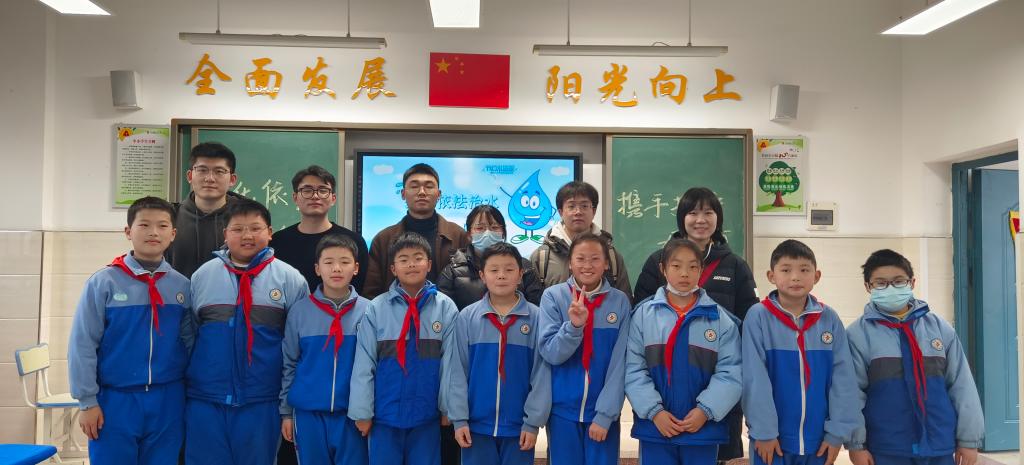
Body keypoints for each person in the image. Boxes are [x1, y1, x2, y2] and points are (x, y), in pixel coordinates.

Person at [632, 186, 757, 463]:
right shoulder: (655, 262)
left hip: (713, 391)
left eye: (708, 212)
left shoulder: (735, 266)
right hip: (660, 404)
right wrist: (653, 409)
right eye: (693, 213)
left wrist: (710, 407)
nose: (701, 219)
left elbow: (748, 322)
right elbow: (638, 328)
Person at [68, 196, 193, 465]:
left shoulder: (182, 286)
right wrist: (87, 402)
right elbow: (82, 344)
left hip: (168, 398)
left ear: (173, 234)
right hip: (116, 399)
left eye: (162, 226)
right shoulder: (104, 282)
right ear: (128, 231)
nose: (153, 232)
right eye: (144, 225)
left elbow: (189, 342)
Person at [185, 198, 309, 465]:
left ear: (270, 232)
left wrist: (287, 404)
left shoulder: (290, 279)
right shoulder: (202, 276)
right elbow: (190, 335)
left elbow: (298, 348)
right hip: (206, 398)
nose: (247, 236)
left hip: (262, 399)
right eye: (238, 229)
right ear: (225, 234)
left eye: (255, 228)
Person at [846, 249, 984, 465]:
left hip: (938, 443)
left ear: (912, 282)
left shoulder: (940, 329)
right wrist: (856, 445)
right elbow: (852, 395)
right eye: (881, 283)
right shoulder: (857, 335)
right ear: (868, 287)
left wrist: (969, 440)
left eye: (898, 281)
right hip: (887, 447)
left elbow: (962, 386)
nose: (890, 288)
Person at [624, 238, 742, 465]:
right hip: (656, 429)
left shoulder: (720, 320)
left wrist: (705, 411)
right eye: (676, 266)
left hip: (702, 430)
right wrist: (654, 412)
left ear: (701, 270)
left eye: (692, 266)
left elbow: (731, 372)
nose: (684, 273)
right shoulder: (643, 316)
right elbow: (633, 368)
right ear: (663, 269)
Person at [742, 240, 860, 465]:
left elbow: (843, 380)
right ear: (771, 276)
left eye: (804, 270)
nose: (795, 277)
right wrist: (764, 432)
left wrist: (836, 433)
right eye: (786, 270)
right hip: (772, 441)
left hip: (819, 441)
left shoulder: (829, 319)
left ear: (817, 276)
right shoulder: (758, 317)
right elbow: (754, 378)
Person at [348, 232, 460, 465]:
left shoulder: (445, 308)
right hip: (384, 416)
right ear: (393, 269)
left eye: (418, 258)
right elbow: (364, 364)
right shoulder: (376, 308)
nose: (411, 264)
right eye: (403, 259)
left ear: (429, 265)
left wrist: (447, 407)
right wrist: (362, 412)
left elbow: (451, 363)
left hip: (427, 416)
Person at [446, 242, 551, 465]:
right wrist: (459, 419)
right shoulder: (467, 317)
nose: (501, 275)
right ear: (482, 276)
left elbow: (541, 375)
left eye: (509, 269)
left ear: (520, 275)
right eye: (494, 270)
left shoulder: (537, 318)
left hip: (519, 429)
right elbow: (457, 372)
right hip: (475, 427)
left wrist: (532, 422)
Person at [538, 232, 631, 465]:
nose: (587, 265)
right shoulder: (553, 297)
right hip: (561, 412)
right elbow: (551, 353)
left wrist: (606, 414)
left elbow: (620, 364)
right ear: (570, 263)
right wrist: (574, 327)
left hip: (602, 414)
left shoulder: (619, 301)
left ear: (606, 263)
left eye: (595, 259)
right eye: (580, 259)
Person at [279, 234, 371, 465]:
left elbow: (374, 367)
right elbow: (289, 364)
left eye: (344, 262)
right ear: (317, 269)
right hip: (308, 414)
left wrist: (367, 411)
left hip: (353, 416)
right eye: (329, 262)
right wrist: (286, 412)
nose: (336, 268)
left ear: (356, 268)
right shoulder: (300, 311)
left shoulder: (370, 311)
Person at [364, 163, 470, 299]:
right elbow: (371, 292)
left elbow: (468, 286)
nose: (422, 192)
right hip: (395, 311)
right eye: (414, 186)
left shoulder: (458, 235)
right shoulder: (383, 239)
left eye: (429, 186)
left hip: (447, 311)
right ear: (403, 194)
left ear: (439, 194)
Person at [271, 165, 369, 294]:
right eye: (307, 190)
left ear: (333, 198)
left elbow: (359, 290)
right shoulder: (278, 241)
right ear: (295, 198)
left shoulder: (354, 241)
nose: (315, 196)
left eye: (323, 190)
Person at [530, 181, 632, 301]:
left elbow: (624, 301)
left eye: (584, 206)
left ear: (593, 211)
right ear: (561, 212)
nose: (578, 212)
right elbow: (533, 304)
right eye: (571, 206)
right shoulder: (542, 257)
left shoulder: (611, 255)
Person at [437, 204, 544, 309]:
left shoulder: (524, 267)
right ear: (469, 235)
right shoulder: (453, 271)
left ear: (503, 232)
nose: (487, 233)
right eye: (480, 228)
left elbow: (535, 309)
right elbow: (446, 312)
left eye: (494, 227)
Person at [166, 142, 243, 278]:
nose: (210, 179)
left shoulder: (248, 218)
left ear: (232, 179)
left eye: (219, 171)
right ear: (190, 176)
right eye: (202, 170)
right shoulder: (169, 217)